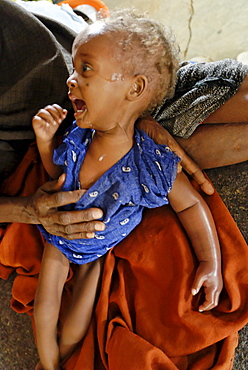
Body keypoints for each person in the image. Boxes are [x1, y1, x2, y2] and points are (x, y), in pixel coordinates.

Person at [32, 9, 223, 369]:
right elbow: (59, 178)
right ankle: (47, 362)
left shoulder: (148, 162)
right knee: (45, 307)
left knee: (78, 316)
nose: (71, 80)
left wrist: (209, 262)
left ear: (134, 88)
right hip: (58, 238)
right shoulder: (79, 135)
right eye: (74, 69)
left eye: (85, 69)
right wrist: (45, 143)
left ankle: (60, 361)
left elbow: (191, 205)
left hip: (99, 248)